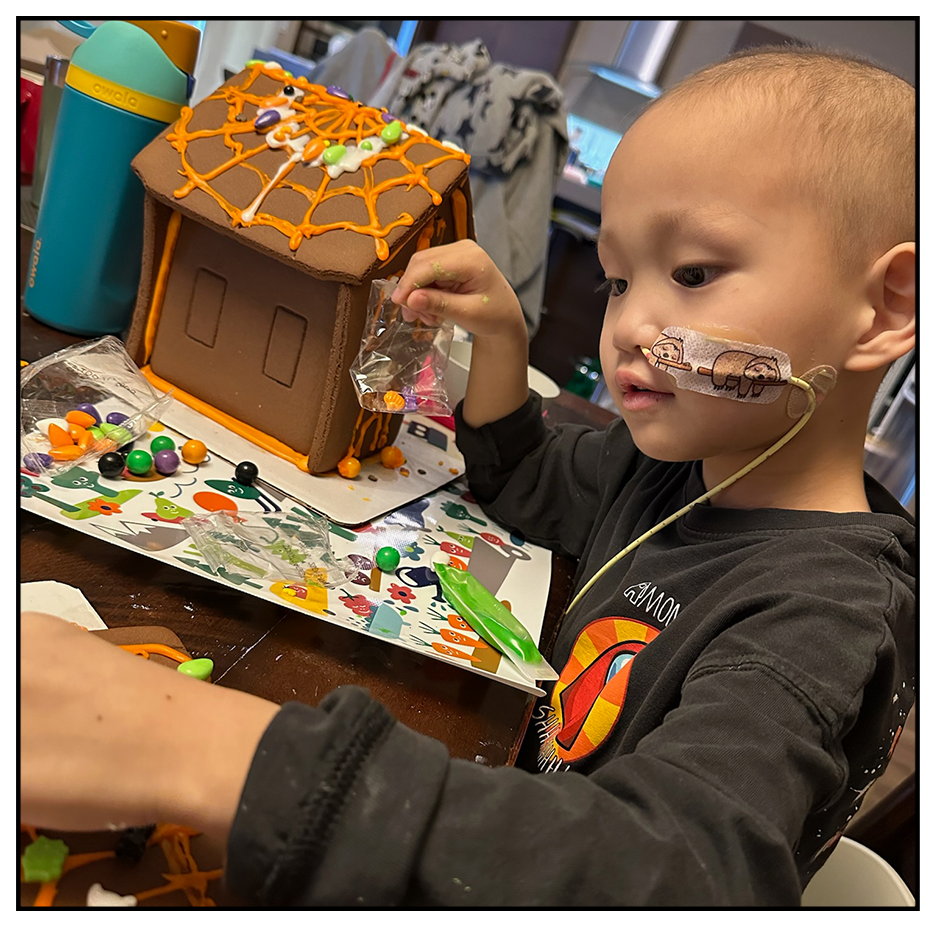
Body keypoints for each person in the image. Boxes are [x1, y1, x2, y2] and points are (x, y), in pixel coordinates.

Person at [20, 46, 915, 906]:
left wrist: (194, 746)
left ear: (883, 308)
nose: (631, 324)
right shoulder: (677, 468)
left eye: (691, 272)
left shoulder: (827, 616)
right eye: (615, 282)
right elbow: (526, 478)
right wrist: (501, 340)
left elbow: (680, 873)